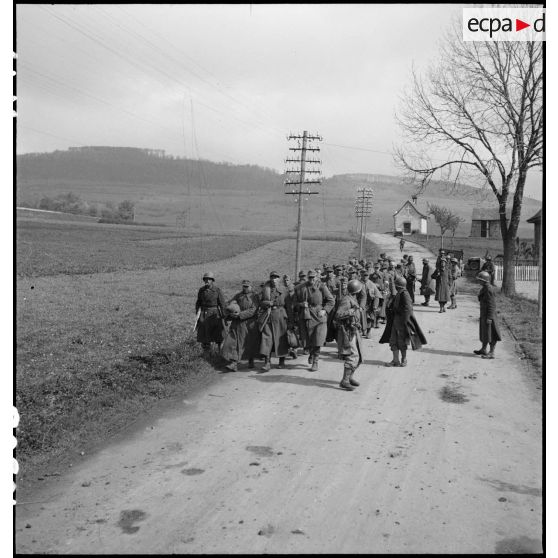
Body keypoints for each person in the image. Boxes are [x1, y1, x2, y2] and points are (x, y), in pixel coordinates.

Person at [379, 276, 427, 367]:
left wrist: (405, 322)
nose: (395, 287)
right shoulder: (399, 293)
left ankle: (403, 360)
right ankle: (395, 360)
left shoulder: (405, 294)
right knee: (393, 341)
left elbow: (408, 310)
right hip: (396, 321)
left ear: (399, 286)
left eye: (397, 286)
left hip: (402, 323)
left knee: (402, 342)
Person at [294, 269, 335, 371]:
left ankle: (315, 361)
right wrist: (300, 304)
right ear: (307, 278)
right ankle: (311, 353)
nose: (312, 279)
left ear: (317, 277)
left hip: (319, 316)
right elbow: (294, 304)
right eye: (310, 277)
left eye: (314, 277)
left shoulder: (322, 286)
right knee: (308, 340)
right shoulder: (300, 288)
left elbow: (331, 300)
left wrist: (324, 310)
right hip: (306, 316)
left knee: (318, 339)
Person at [221, 280, 260, 371]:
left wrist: (241, 314)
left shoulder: (255, 296)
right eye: (244, 286)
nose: (245, 288)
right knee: (234, 342)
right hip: (237, 323)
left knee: (249, 343)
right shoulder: (238, 295)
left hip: (249, 323)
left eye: (247, 286)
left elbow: (253, 310)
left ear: (251, 287)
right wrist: (230, 310)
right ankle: (234, 363)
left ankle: (251, 360)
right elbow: (230, 303)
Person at [334, 279, 365, 390]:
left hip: (354, 330)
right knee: (353, 356)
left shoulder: (353, 298)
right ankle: (345, 380)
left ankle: (350, 377)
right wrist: (350, 312)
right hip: (347, 332)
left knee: (359, 356)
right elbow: (338, 315)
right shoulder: (346, 300)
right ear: (357, 291)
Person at [258, 271, 291, 371]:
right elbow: (260, 303)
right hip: (268, 316)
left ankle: (282, 360)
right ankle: (267, 362)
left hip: (281, 316)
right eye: (272, 277)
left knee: (281, 339)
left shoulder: (284, 290)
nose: (274, 279)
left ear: (279, 279)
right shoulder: (265, 289)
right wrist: (267, 303)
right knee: (266, 338)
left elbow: (289, 307)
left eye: (276, 277)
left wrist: (291, 321)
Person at [195, 271, 226, 353]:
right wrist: (197, 313)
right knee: (204, 334)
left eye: (209, 279)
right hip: (203, 314)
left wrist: (224, 316)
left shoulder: (217, 290)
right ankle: (206, 353)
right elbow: (198, 302)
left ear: (212, 280)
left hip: (215, 314)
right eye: (205, 279)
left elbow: (222, 304)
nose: (207, 281)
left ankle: (220, 353)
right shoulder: (201, 290)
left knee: (218, 334)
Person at [474, 271, 502, 359]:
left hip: (489, 315)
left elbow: (492, 305)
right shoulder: (484, 288)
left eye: (480, 279)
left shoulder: (489, 289)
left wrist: (489, 317)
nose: (478, 281)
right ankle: (483, 349)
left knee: (491, 334)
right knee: (485, 333)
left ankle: (491, 352)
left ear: (484, 280)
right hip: (484, 313)